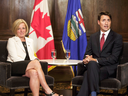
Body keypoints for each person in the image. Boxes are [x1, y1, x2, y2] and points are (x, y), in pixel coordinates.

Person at [7, 19, 59, 96]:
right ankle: (47, 90)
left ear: (26, 29)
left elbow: (31, 56)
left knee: (34, 73)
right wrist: (31, 64)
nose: (21, 30)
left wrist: (31, 64)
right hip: (15, 66)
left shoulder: (29, 41)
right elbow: (14, 58)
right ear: (15, 30)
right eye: (19, 28)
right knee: (35, 63)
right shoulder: (11, 40)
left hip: (28, 66)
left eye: (23, 28)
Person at [77, 11, 123, 96]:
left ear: (111, 22)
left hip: (109, 69)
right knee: (91, 64)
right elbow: (87, 54)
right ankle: (94, 93)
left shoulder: (117, 37)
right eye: (103, 20)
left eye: (108, 20)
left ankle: (93, 93)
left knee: (88, 73)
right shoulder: (93, 37)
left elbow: (114, 58)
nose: (106, 23)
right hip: (94, 67)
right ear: (98, 22)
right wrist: (86, 59)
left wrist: (95, 60)